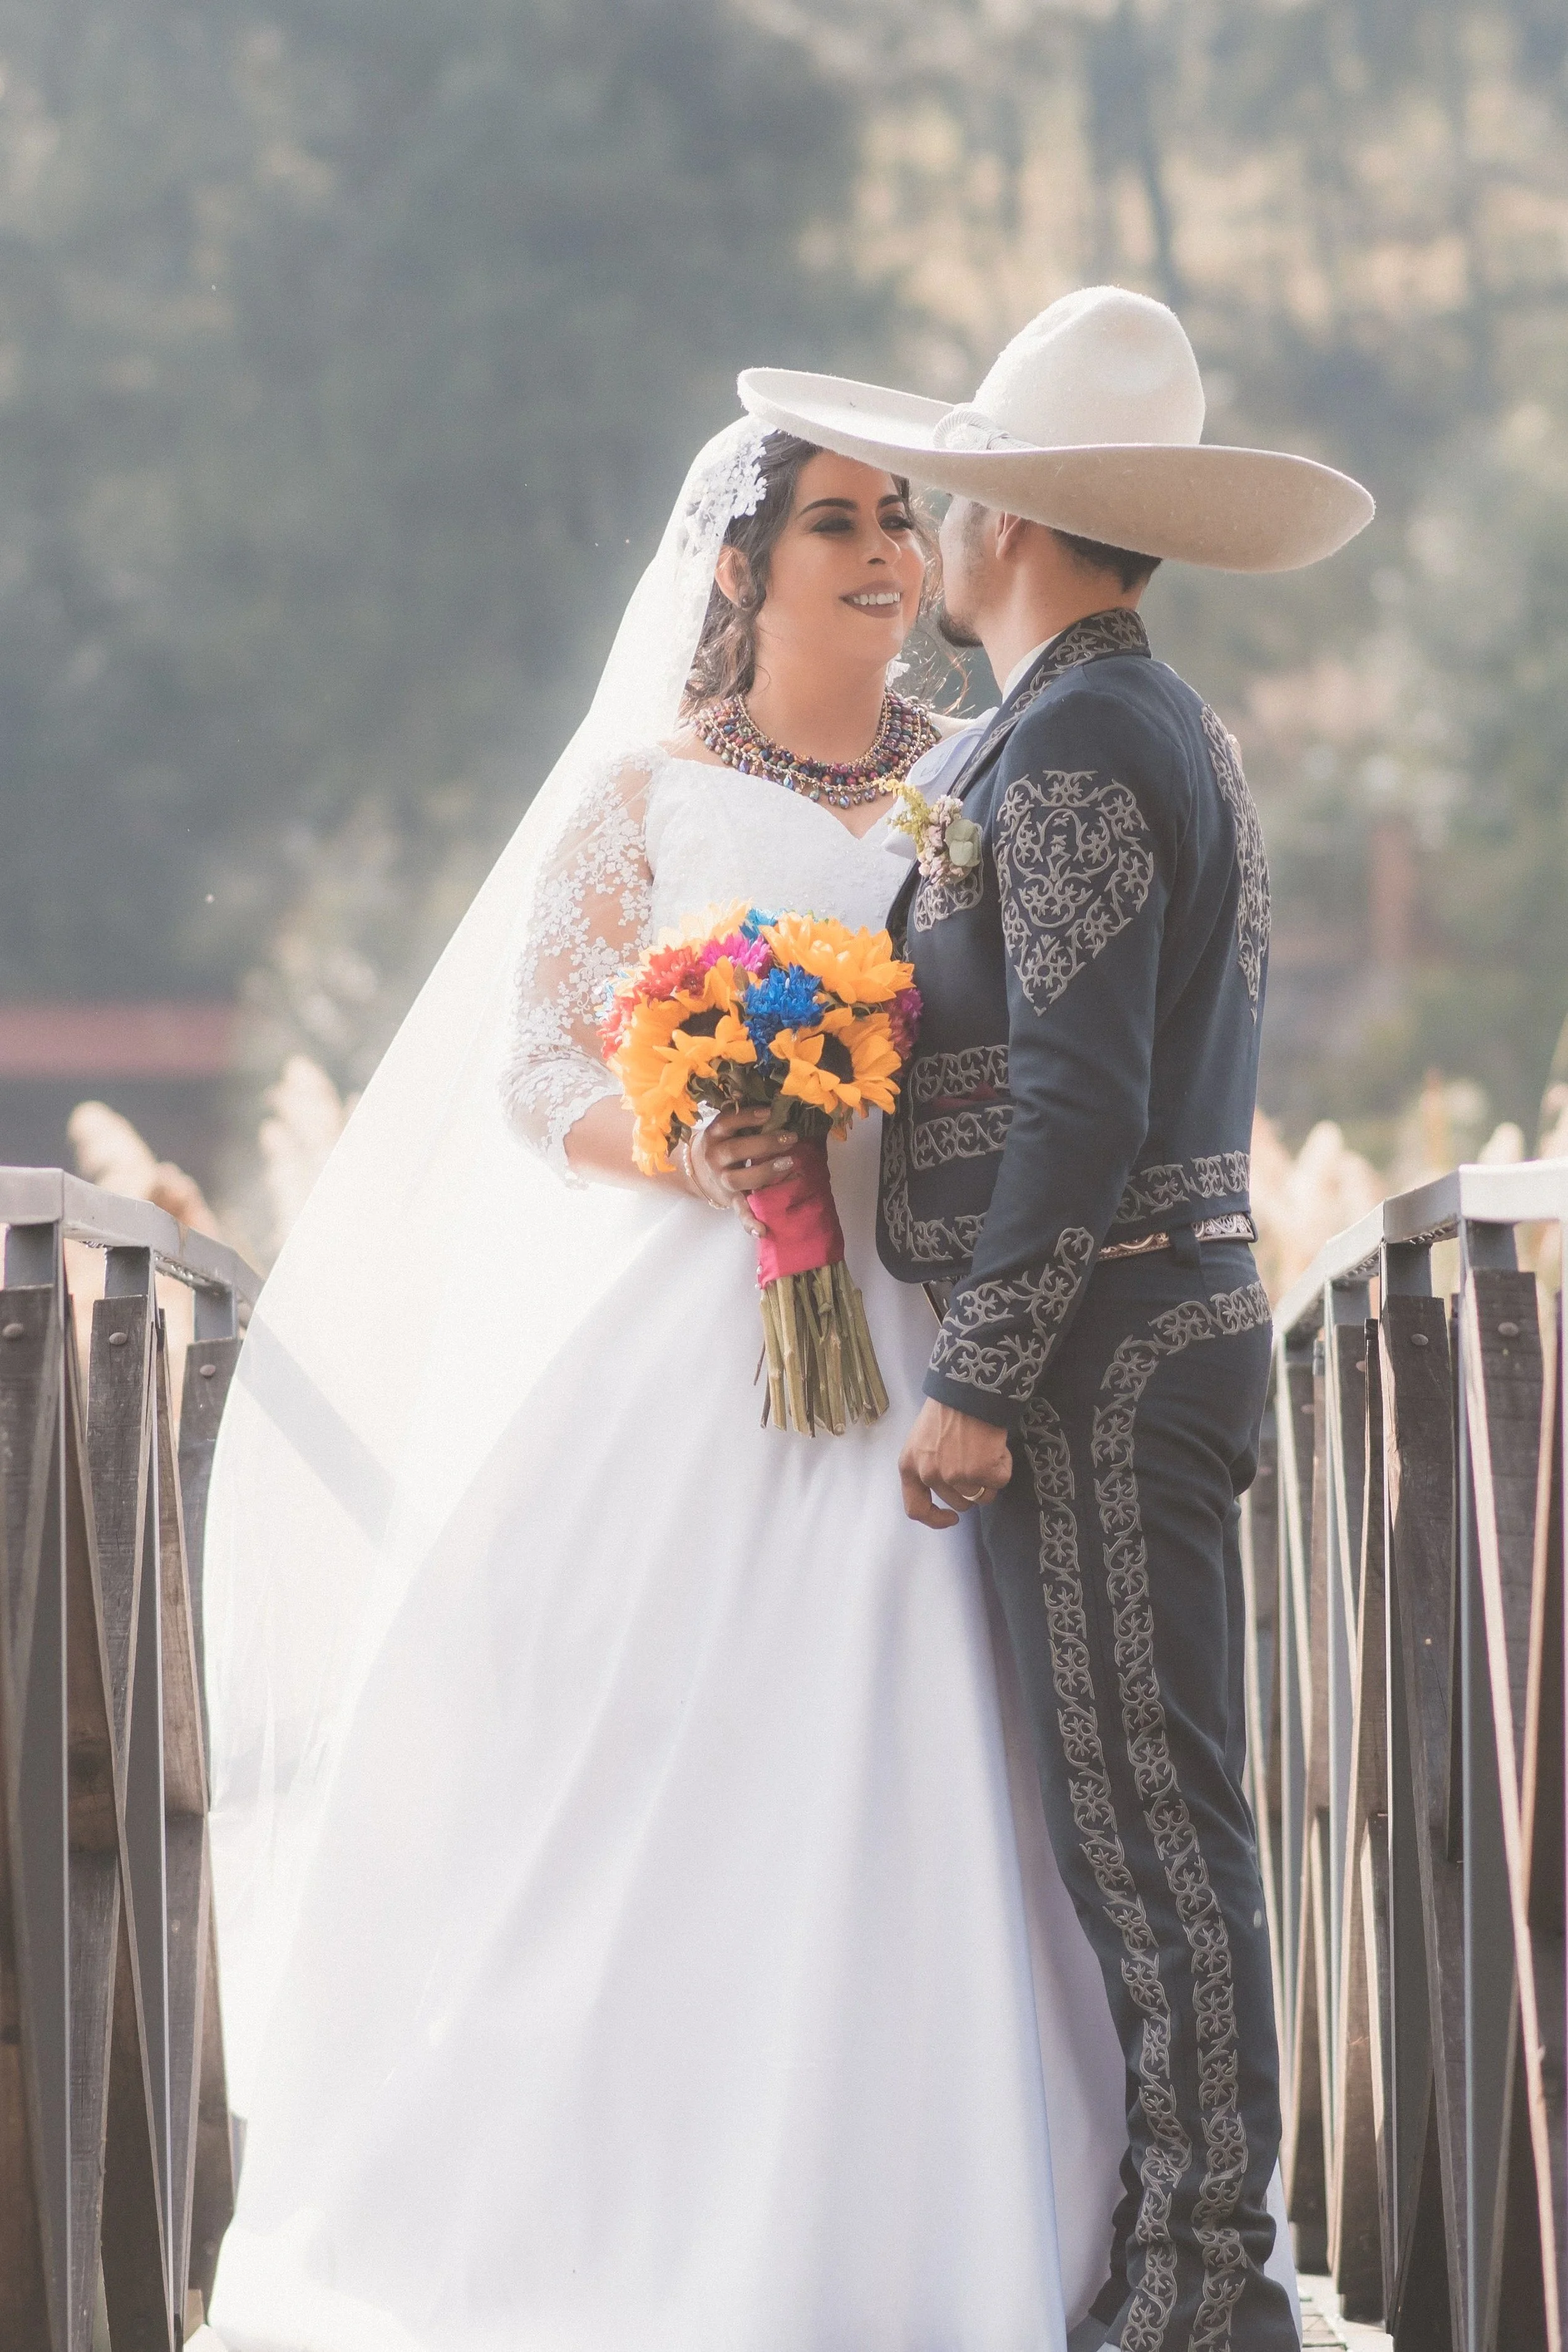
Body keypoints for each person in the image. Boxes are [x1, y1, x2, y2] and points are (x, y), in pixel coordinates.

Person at [203, 415, 1158, 2350]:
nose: (888, 554)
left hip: (919, 1340)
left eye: (900, 519)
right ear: (738, 569)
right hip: (690, 1347)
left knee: (917, 1756)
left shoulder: (969, 788)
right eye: (837, 524)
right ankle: (621, 2216)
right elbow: (537, 1069)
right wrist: (698, 1143)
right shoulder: (649, 791)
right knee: (649, 1768)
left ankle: (916, 2219)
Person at [741, 284, 1374, 2351]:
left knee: (1147, 1826)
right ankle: (1174, 2261)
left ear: (1014, 525)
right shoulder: (1082, 722)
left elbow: (1089, 1082)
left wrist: (985, 1376)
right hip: (1110, 1331)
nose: (929, 527)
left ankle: (1208, 2288)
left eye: (950, 500)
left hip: (1101, 1346)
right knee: (1134, 1820)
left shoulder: (1093, 734)